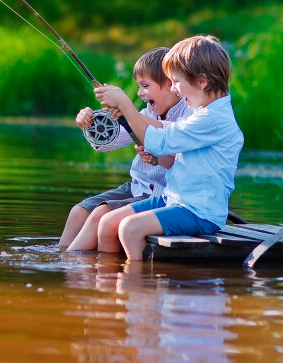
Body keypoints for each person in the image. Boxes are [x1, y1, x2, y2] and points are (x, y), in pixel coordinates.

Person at [78, 35, 244, 260]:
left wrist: (126, 105)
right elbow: (163, 135)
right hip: (173, 199)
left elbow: (157, 141)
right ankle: (108, 284)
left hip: (198, 211)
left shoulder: (213, 119)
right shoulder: (202, 112)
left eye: (176, 81)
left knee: (129, 228)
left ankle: (135, 287)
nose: (174, 89)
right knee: (108, 222)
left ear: (202, 81)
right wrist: (126, 114)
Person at [59, 47, 189, 251]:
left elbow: (170, 134)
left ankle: (72, 266)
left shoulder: (188, 115)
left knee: (99, 215)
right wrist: (91, 121)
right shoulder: (148, 112)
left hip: (161, 196)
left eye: (145, 86)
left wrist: (127, 110)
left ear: (170, 84)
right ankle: (61, 258)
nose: (139, 93)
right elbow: (107, 143)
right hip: (137, 188)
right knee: (78, 211)